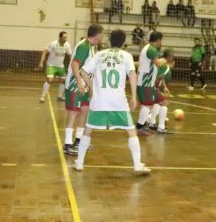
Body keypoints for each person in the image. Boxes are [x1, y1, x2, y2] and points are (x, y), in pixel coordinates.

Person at [73, 29, 150, 176]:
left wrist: (91, 85)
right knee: (131, 131)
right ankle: (137, 165)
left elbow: (83, 71)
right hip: (118, 101)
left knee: (88, 130)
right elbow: (133, 75)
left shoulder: (99, 54)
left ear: (109, 41)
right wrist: (134, 96)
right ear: (123, 43)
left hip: (99, 99)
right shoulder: (126, 56)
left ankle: (80, 163)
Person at [63, 24, 103, 155]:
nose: (102, 38)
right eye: (101, 35)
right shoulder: (84, 46)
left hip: (84, 85)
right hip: (76, 84)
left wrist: (91, 86)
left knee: (85, 111)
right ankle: (67, 144)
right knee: (73, 113)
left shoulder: (91, 47)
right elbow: (75, 64)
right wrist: (79, 82)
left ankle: (78, 140)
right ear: (97, 35)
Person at [136, 31, 167, 135]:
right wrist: (164, 60)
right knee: (147, 105)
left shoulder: (148, 48)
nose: (161, 43)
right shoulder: (151, 49)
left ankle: (155, 124)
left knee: (163, 101)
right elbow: (158, 64)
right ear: (158, 40)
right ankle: (140, 127)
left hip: (150, 83)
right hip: (145, 82)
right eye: (161, 40)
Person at [39, 31, 72, 102]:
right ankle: (42, 97)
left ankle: (59, 97)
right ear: (60, 37)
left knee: (63, 81)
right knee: (49, 80)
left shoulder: (67, 45)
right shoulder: (53, 44)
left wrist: (72, 64)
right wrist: (41, 62)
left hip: (60, 66)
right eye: (64, 37)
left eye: (66, 37)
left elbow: (70, 55)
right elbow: (45, 52)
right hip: (51, 65)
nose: (65, 39)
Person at [148, 49, 175, 134]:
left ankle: (152, 123)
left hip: (152, 87)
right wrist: (155, 89)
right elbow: (158, 77)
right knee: (164, 103)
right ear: (170, 57)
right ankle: (161, 127)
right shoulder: (166, 66)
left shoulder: (161, 64)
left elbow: (162, 77)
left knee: (158, 104)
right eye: (172, 56)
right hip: (153, 88)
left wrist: (165, 87)